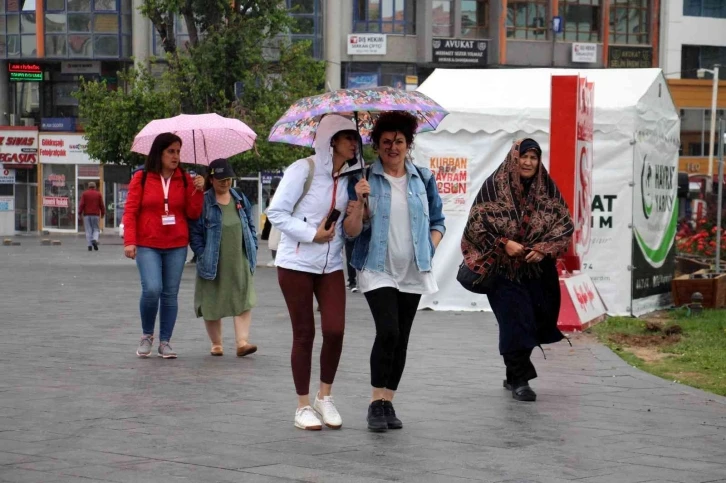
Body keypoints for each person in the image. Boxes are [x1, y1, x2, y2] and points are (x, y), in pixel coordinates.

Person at [344, 111, 445, 432]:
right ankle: (375, 402)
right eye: (386, 142)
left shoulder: (424, 179)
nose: (392, 147)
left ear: (408, 144)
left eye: (399, 141)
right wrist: (359, 202)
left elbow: (438, 222)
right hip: (377, 269)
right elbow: (351, 231)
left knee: (401, 338)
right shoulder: (362, 180)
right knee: (387, 331)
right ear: (376, 145)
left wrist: (430, 246)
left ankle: (389, 400)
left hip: (413, 270)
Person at [267, 114, 363, 431]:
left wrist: (360, 202)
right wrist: (311, 234)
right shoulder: (303, 170)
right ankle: (302, 405)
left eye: (356, 138)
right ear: (332, 140)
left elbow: (350, 231)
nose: (354, 143)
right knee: (304, 332)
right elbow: (276, 212)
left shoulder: (351, 179)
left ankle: (325, 396)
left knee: (335, 329)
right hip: (295, 263)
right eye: (349, 137)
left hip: (332, 263)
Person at [461, 138, 574, 402]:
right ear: (514, 158)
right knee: (515, 321)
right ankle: (521, 379)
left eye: (534, 157)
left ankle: (513, 375)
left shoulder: (547, 189)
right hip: (500, 269)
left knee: (534, 320)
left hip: (537, 270)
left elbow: (564, 225)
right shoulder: (493, 188)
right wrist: (503, 243)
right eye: (524, 156)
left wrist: (544, 248)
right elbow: (475, 226)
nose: (528, 162)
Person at [123, 132, 205, 359]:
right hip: (147, 243)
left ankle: (165, 341)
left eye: (178, 151)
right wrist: (129, 241)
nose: (176, 156)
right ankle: (147, 335)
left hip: (177, 244)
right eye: (171, 151)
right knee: (152, 289)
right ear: (159, 153)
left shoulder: (186, 179)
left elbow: (193, 213)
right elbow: (130, 211)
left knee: (170, 294)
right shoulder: (141, 177)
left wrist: (198, 191)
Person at [189, 158, 258, 357]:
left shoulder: (239, 198)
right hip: (212, 260)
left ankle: (242, 342)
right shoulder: (204, 201)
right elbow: (194, 231)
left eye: (228, 179)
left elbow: (250, 225)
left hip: (239, 257)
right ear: (211, 179)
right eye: (221, 179)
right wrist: (201, 253)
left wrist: (252, 244)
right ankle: (216, 343)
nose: (225, 183)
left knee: (243, 298)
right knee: (212, 299)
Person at [79, 181, 105, 251]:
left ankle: (89, 246)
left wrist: (79, 213)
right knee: (96, 229)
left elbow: (81, 204)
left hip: (87, 215)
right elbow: (101, 205)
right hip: (96, 215)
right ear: (95, 187)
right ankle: (95, 239)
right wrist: (103, 213)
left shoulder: (84, 194)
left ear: (88, 186)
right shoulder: (98, 194)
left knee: (88, 230)